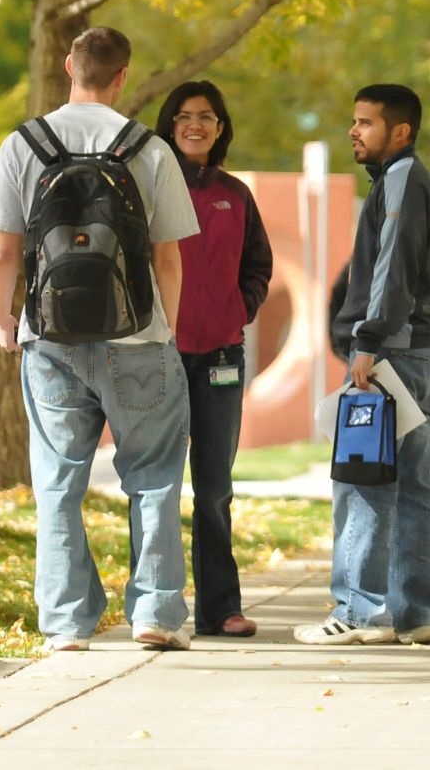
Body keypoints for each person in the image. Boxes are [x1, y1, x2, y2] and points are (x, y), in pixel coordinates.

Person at [0, 27, 199, 652]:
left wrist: (3, 319)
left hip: (50, 340)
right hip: (140, 337)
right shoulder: (149, 149)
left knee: (58, 482)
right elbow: (168, 258)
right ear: (123, 75)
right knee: (154, 477)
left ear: (69, 66)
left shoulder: (24, 144)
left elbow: (2, 249)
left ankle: (66, 622)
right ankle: (155, 613)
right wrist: (166, 329)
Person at [295, 84, 430, 647]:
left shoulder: (402, 178)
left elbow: (392, 266)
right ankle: (414, 614)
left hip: (389, 357)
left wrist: (368, 339)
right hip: (417, 354)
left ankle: (357, 614)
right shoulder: (406, 179)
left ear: (400, 131)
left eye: (366, 122)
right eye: (354, 120)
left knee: (363, 483)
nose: (353, 131)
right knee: (411, 485)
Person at [155, 80, 273, 638]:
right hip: (159, 355)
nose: (194, 125)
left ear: (220, 127)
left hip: (222, 355)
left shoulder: (236, 195)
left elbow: (258, 265)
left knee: (214, 487)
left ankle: (220, 608)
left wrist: (238, 308)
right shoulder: (149, 189)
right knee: (157, 485)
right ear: (169, 126)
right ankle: (156, 609)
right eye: (183, 116)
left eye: (205, 116)